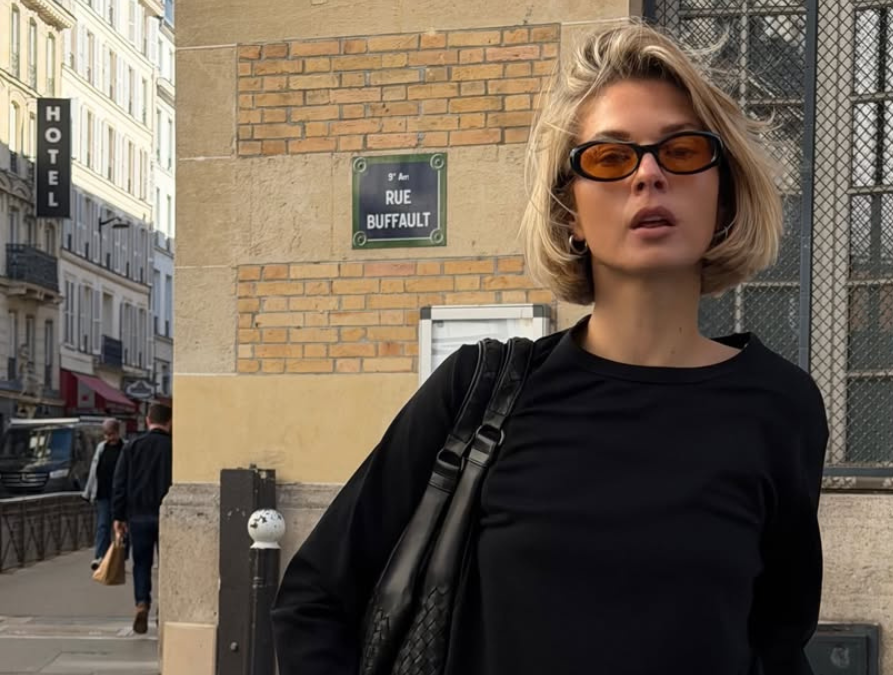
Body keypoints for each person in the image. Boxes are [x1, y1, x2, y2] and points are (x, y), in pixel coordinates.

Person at [273, 21, 829, 675]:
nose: (649, 175)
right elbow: (315, 600)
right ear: (570, 213)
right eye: (611, 158)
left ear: (724, 193)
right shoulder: (480, 391)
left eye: (681, 151)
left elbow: (776, 642)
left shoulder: (780, 405)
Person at [112, 403, 172, 635]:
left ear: (148, 420)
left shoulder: (132, 447)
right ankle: (165, 607)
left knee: (141, 564)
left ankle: (141, 603)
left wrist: (118, 516)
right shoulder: (174, 448)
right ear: (169, 422)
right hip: (167, 516)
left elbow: (119, 484)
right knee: (168, 565)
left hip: (138, 516)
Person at [83, 418, 125, 571]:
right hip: (103, 493)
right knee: (103, 526)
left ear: (118, 432)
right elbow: (94, 471)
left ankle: (119, 558)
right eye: (106, 434)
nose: (109, 437)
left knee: (121, 528)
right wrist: (88, 492)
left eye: (111, 434)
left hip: (121, 495)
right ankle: (100, 557)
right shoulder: (101, 447)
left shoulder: (125, 448)